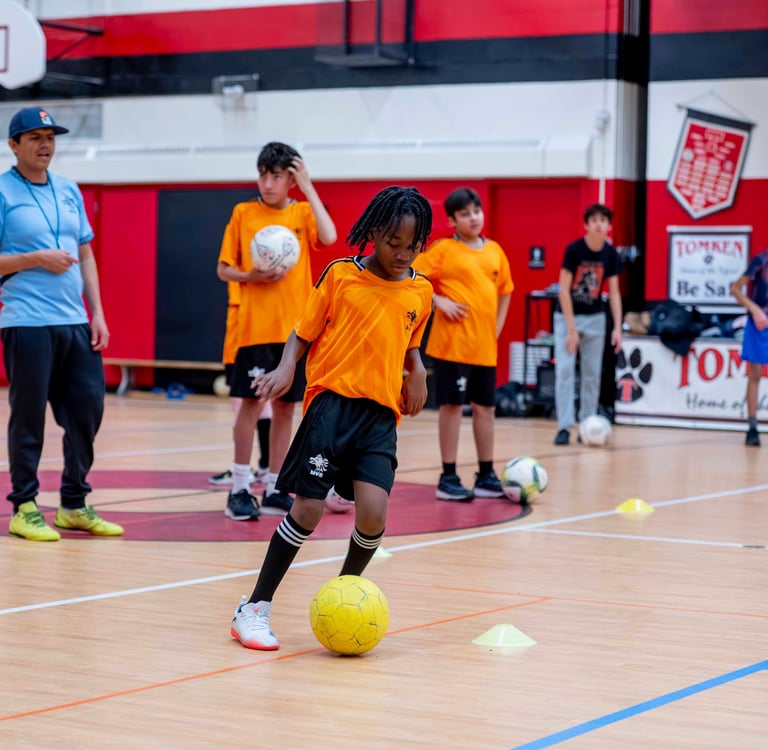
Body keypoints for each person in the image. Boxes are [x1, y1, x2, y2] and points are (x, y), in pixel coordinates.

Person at [230, 186, 433, 650]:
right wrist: (286, 368)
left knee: (374, 516)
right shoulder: (341, 275)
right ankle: (254, 608)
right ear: (373, 235)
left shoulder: (421, 290)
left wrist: (417, 369)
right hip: (331, 407)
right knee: (307, 509)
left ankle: (344, 596)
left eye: (413, 245)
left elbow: (411, 340)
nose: (402, 254)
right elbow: (303, 332)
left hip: (381, 416)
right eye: (393, 243)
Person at [0, 107, 123, 541]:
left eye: (50, 136)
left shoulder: (69, 189)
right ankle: (25, 505)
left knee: (88, 412)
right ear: (14, 145)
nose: (45, 144)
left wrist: (99, 313)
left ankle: (73, 503)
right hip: (27, 321)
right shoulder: (2, 191)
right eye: (34, 137)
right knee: (29, 417)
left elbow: (85, 254)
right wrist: (35, 258)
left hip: (75, 321)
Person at [216, 142, 337, 520]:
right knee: (251, 407)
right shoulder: (243, 213)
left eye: (278, 176)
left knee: (286, 409)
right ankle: (238, 489)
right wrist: (250, 275)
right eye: (263, 175)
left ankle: (274, 487)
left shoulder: (302, 212)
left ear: (291, 180)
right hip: (255, 329)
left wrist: (309, 185)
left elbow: (330, 237)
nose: (268, 183)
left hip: (295, 332)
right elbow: (223, 269)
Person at [411, 187, 512, 501]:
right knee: (452, 407)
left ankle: (486, 474)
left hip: (483, 347)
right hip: (451, 345)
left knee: (486, 409)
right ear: (453, 220)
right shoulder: (443, 250)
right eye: (465, 213)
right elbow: (413, 275)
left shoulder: (495, 250)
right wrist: (439, 301)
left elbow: (506, 290)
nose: (474, 218)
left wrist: (496, 328)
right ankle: (449, 475)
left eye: (477, 211)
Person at [553, 203, 622, 445]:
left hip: (596, 317)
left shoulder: (611, 254)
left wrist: (617, 328)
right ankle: (564, 426)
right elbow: (563, 290)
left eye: (603, 220)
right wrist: (571, 329)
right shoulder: (574, 250)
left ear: (609, 226)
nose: (599, 224)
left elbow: (613, 293)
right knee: (564, 371)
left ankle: (587, 425)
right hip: (567, 316)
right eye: (594, 220)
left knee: (592, 373)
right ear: (586, 225)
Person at [208, 281, 272, 488]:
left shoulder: (248, 277)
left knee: (243, 401)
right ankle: (266, 465)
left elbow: (225, 271)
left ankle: (244, 470)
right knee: (265, 401)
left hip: (245, 337)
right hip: (264, 333)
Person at [729, 248, 768, 446]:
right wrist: (754, 309)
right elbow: (734, 289)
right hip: (760, 323)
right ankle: (752, 427)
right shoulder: (761, 260)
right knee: (755, 374)